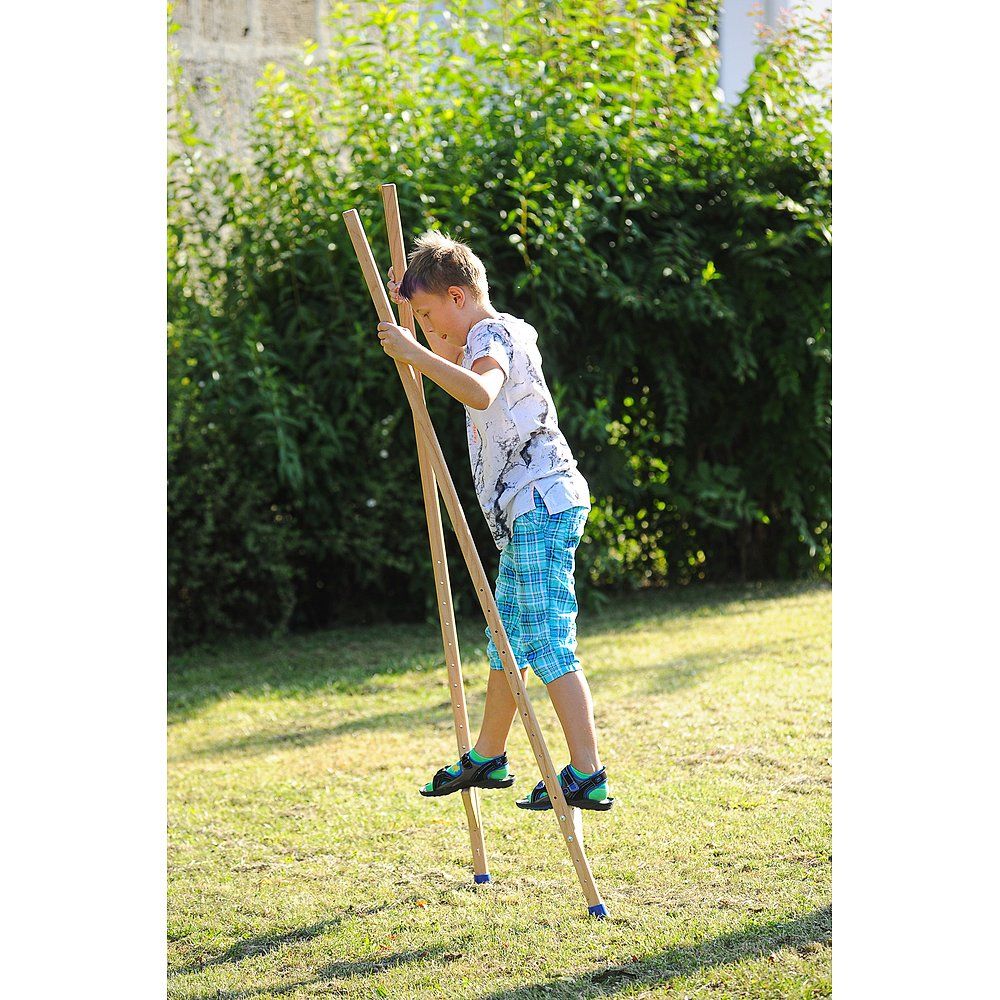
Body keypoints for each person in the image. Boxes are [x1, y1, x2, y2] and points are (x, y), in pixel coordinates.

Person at [376, 230, 613, 812]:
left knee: (548, 642)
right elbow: (455, 362)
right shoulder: (486, 331)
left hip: (542, 505)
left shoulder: (494, 335)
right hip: (528, 510)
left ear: (459, 297)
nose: (431, 331)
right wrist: (409, 309)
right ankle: (489, 754)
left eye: (432, 315)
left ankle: (588, 772)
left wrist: (415, 351)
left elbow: (480, 390)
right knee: (505, 641)